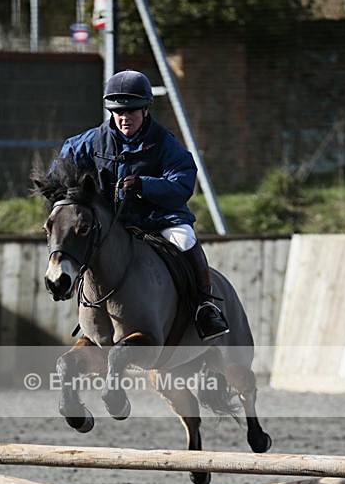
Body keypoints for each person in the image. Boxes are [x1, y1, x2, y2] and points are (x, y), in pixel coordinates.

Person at [58, 69, 229, 340]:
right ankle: (82, 302)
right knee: (83, 243)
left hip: (159, 218)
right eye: (118, 112)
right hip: (115, 220)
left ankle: (204, 306)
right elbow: (64, 161)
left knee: (185, 240)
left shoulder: (164, 143)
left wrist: (144, 185)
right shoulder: (92, 140)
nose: (125, 119)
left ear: (145, 109)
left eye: (132, 112)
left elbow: (183, 183)